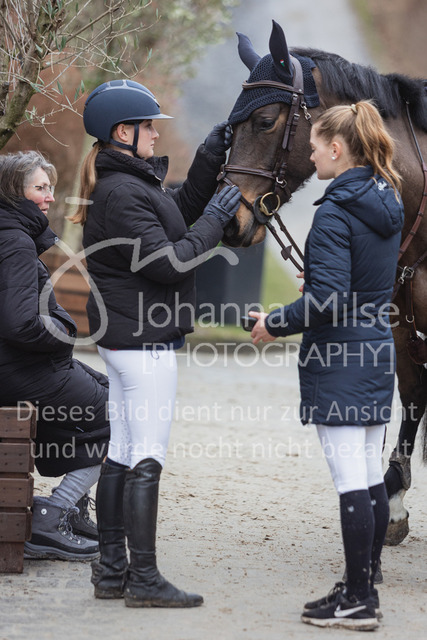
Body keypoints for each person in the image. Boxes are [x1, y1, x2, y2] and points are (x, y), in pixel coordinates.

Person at [70, 79, 241, 607]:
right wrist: (217, 221)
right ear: (123, 132)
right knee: (146, 455)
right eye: (148, 126)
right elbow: (169, 262)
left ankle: (111, 571)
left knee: (123, 452)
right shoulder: (123, 192)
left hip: (129, 337)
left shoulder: (129, 182)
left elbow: (176, 215)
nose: (155, 134)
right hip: (142, 341)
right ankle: (143, 579)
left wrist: (209, 157)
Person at [250, 100, 404, 631]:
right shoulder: (386, 197)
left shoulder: (336, 210)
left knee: (351, 481)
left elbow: (329, 300)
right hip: (376, 350)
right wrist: (321, 277)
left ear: (337, 149)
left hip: (340, 357)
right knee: (368, 474)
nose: (310, 156)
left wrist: (274, 323)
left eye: (314, 147)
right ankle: (363, 583)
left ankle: (359, 600)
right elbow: (361, 278)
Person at [0, 150, 110, 562]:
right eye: (40, 188)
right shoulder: (14, 241)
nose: (49, 197)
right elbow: (19, 323)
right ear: (15, 192)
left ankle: (73, 512)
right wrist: (64, 333)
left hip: (23, 365)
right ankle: (54, 514)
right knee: (127, 414)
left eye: (50, 187)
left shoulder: (12, 233)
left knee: (110, 391)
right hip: (22, 369)